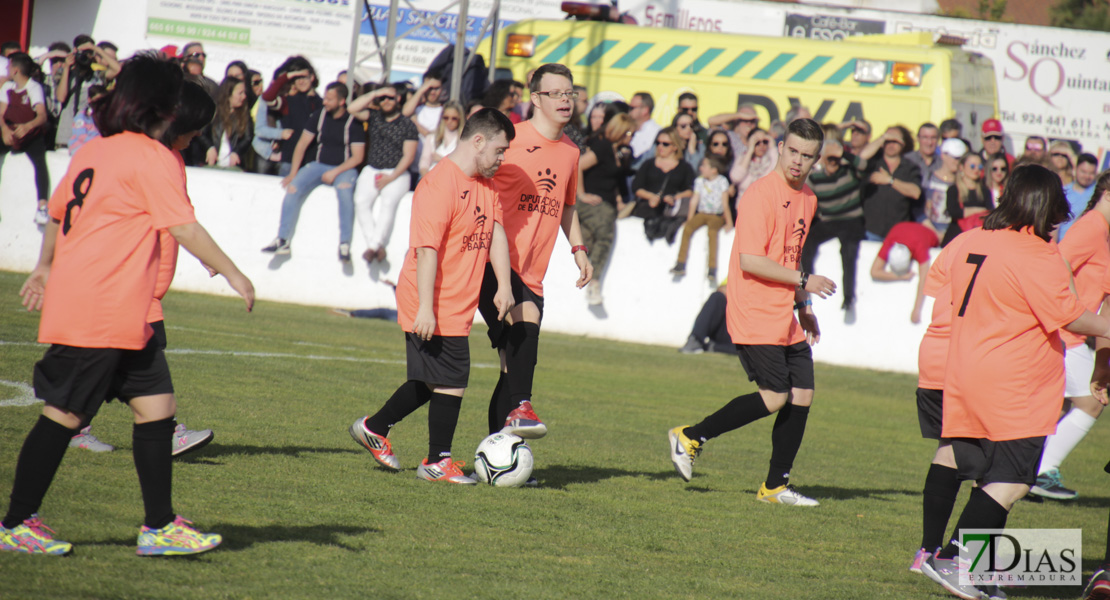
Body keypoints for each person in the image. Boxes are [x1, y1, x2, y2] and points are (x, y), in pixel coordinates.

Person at [0, 53, 254, 557]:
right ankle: (15, 524)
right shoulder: (150, 155)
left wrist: (45, 265)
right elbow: (182, 225)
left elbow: (56, 215)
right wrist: (233, 272)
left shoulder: (98, 150)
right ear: (160, 104)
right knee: (64, 416)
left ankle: (159, 527)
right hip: (101, 308)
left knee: (157, 408)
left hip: (121, 311)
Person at [919, 164, 1110, 599]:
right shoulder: (1035, 252)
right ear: (1046, 207)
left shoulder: (976, 240)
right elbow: (1067, 315)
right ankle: (952, 559)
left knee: (984, 475)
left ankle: (976, 574)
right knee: (1014, 481)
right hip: (1017, 381)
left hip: (968, 370)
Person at [668, 118, 836, 507]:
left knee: (803, 394)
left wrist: (803, 304)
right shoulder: (760, 195)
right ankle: (691, 435)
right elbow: (751, 261)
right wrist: (806, 280)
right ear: (780, 147)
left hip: (784, 311)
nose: (797, 161)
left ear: (816, 160)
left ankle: (775, 487)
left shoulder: (808, 199)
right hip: (754, 309)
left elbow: (789, 256)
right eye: (792, 151)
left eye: (807, 155)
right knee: (776, 396)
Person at [348, 108, 515, 484]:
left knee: (432, 380)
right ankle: (437, 461)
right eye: (499, 150)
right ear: (478, 142)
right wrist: (425, 308)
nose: (502, 159)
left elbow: (497, 233)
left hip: (456, 301)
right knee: (452, 378)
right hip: (430, 300)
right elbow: (427, 250)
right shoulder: (439, 184)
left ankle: (375, 427)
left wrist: (503, 285)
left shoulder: (486, 185)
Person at [68, 81, 221, 458]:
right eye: (197, 125)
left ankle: (72, 423)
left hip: (148, 285)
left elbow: (182, 214)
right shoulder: (148, 157)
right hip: (133, 284)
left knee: (116, 364)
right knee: (145, 358)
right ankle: (165, 432)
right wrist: (232, 273)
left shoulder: (173, 159)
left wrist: (203, 253)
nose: (200, 134)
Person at [477, 63, 593, 450]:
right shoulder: (510, 140)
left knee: (513, 366)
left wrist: (579, 251)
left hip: (532, 272)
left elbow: (567, 206)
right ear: (535, 98)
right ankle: (521, 411)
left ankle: (497, 455)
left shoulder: (572, 152)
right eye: (555, 93)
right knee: (524, 333)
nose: (565, 100)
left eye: (569, 93)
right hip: (494, 263)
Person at [1028, 171, 1110, 501]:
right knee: (1090, 403)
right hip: (1066, 331)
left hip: (1073, 331)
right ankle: (1042, 471)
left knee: (1054, 407)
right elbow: (1058, 259)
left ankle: (1025, 471)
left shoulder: (1102, 231)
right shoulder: (1092, 226)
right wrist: (1073, 306)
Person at [908, 218, 969, 577]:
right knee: (1002, 469)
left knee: (950, 449)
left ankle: (927, 552)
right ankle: (960, 561)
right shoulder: (1026, 250)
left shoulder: (962, 241)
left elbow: (935, 290)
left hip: (934, 355)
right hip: (973, 361)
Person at [261, 82, 365, 260]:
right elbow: (302, 144)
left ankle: (344, 244)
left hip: (344, 168)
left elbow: (357, 157)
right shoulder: (319, 116)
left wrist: (335, 172)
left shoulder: (352, 123)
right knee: (292, 188)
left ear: (341, 101)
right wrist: (293, 173)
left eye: (330, 99)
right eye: (325, 97)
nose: (325, 102)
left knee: (345, 192)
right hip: (319, 165)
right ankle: (282, 239)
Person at [801, 133, 886, 324]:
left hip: (851, 219)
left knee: (848, 249)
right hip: (829, 220)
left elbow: (867, 167)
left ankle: (848, 297)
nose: (833, 162)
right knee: (807, 241)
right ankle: (806, 288)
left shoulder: (849, 171)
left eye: (835, 158)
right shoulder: (815, 178)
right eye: (829, 158)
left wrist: (843, 154)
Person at [348, 84, 419, 264]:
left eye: (390, 98)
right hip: (372, 169)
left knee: (388, 202)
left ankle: (372, 247)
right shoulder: (374, 116)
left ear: (398, 100)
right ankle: (376, 245)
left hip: (397, 173)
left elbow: (409, 156)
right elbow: (352, 108)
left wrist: (391, 177)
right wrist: (377, 93)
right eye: (383, 98)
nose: (387, 101)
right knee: (360, 202)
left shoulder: (407, 124)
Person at [577, 112, 635, 306]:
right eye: (629, 133)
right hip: (593, 202)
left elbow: (613, 179)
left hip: (608, 203)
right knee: (604, 235)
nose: (631, 137)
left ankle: (588, 273)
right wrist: (581, 194)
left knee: (590, 238)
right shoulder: (602, 147)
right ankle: (594, 282)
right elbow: (577, 166)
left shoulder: (619, 151)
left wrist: (619, 199)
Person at [0, 52, 51, 225]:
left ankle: (42, 206)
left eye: (8, 66)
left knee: (40, 161)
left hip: (29, 135)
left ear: (15, 70)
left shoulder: (33, 87)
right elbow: (0, 114)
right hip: (10, 132)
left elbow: (42, 116)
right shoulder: (7, 88)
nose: (6, 69)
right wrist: (5, 129)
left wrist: (28, 126)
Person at [671, 154, 733, 284]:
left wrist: (729, 222)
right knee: (687, 229)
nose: (701, 168)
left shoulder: (722, 181)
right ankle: (680, 263)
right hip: (702, 213)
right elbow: (694, 200)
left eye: (705, 166)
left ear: (714, 169)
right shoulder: (699, 181)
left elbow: (725, 202)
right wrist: (690, 219)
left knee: (712, 233)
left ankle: (712, 268)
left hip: (716, 215)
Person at [630, 126, 695, 242]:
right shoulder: (648, 164)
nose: (660, 146)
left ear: (675, 146)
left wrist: (674, 198)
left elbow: (690, 190)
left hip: (670, 209)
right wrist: (651, 197)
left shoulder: (685, 167)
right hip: (648, 207)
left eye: (665, 144)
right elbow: (637, 187)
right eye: (658, 143)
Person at [261, 57, 322, 177]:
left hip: (313, 163)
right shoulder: (288, 101)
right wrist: (288, 76)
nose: (300, 81)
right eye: (296, 78)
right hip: (289, 162)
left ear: (312, 77)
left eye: (303, 77)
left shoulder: (322, 104)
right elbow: (268, 98)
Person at [869, 221, 939, 324]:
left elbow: (924, 278)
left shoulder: (920, 245)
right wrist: (901, 277)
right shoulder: (892, 239)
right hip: (903, 227)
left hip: (930, 233)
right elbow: (874, 272)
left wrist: (917, 309)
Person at [861, 125, 922, 241]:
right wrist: (883, 137)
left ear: (903, 143)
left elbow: (916, 192)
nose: (891, 144)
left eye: (895, 141)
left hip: (898, 233)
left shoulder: (910, 167)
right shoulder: (873, 163)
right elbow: (862, 156)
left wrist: (890, 180)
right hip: (871, 231)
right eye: (888, 140)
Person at [940, 152, 993, 247]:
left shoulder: (984, 191)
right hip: (956, 236)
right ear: (961, 167)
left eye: (980, 166)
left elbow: (990, 212)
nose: (976, 170)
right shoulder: (954, 189)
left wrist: (967, 211)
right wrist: (979, 210)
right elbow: (954, 211)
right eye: (972, 166)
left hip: (977, 236)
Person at [200, 77, 253, 169]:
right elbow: (201, 132)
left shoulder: (244, 114)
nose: (244, 96)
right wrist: (209, 147)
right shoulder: (213, 111)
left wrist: (237, 152)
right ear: (228, 94)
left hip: (233, 165)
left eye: (244, 93)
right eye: (240, 93)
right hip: (212, 162)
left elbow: (248, 137)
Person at [678, 282, 737, 355]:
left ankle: (711, 347)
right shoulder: (738, 273)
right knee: (717, 297)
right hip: (732, 322)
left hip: (748, 332)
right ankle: (696, 340)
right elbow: (723, 289)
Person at [731, 128, 778, 209]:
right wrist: (750, 151)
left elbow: (777, 174)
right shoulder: (743, 158)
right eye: (757, 142)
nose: (761, 145)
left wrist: (772, 147)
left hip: (766, 207)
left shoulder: (772, 159)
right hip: (745, 208)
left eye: (765, 142)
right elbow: (736, 177)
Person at [1058, 153, 1099, 240]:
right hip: (1062, 244)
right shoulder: (1063, 192)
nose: (1087, 176)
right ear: (1075, 169)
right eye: (1083, 172)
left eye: (1091, 173)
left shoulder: (1099, 194)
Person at [418, 100, 463, 176]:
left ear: (460, 119)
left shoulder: (463, 140)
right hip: (431, 177)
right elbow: (424, 161)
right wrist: (426, 177)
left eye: (454, 118)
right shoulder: (432, 137)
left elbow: (462, 165)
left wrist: (441, 159)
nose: (449, 121)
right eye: (446, 118)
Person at [905, 122, 941, 190]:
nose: (929, 142)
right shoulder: (907, 160)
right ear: (918, 138)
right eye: (925, 137)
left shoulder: (943, 163)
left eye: (933, 138)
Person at [628, 92, 660, 162]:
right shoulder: (626, 129)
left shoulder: (657, 132)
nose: (629, 111)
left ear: (645, 110)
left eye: (632, 108)